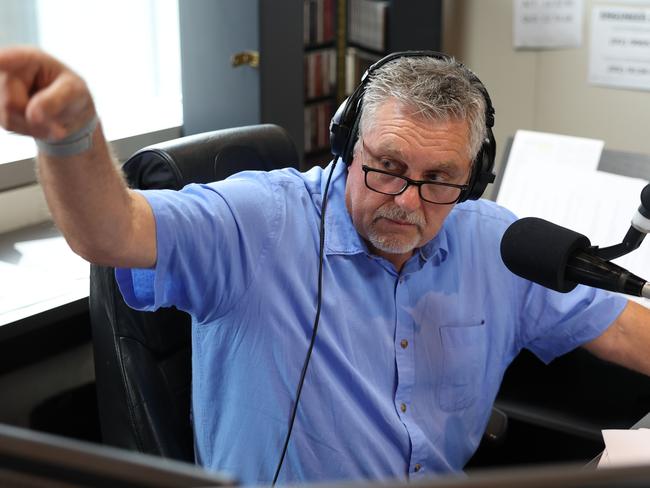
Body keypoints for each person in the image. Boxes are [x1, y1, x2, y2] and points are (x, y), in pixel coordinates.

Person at [1, 46, 650, 486]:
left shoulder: (495, 244)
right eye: (387, 166)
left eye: (440, 179)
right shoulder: (260, 222)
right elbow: (110, 230)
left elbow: (627, 330)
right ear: (346, 144)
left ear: (474, 179)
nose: (406, 200)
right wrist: (69, 136)